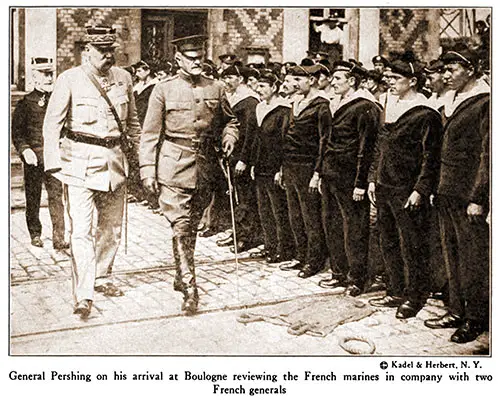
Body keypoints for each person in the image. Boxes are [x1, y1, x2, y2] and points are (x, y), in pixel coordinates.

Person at [43, 25, 141, 318]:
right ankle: (83, 294)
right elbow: (52, 124)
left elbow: (132, 122)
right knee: (81, 232)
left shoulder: (124, 78)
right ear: (87, 51)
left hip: (114, 163)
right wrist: (54, 165)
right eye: (101, 51)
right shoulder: (69, 80)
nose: (108, 56)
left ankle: (102, 276)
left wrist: (136, 156)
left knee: (111, 228)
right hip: (79, 165)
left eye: (111, 50)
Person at [140, 35, 239, 315]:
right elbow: (149, 134)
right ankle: (190, 288)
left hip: (205, 166)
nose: (197, 62)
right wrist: (147, 168)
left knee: (191, 225)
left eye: (200, 57)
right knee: (180, 225)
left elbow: (230, 120)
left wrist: (230, 135)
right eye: (190, 57)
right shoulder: (163, 89)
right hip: (173, 165)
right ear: (178, 59)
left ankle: (180, 272)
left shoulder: (216, 87)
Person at [367, 55, 443, 319]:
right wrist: (373, 179)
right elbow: (380, 147)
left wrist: (420, 189)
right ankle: (395, 289)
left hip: (407, 189)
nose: (391, 83)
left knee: (412, 244)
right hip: (385, 185)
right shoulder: (390, 105)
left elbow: (430, 157)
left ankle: (415, 296)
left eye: (397, 79)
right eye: (389, 78)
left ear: (413, 81)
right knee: (387, 240)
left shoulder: (425, 112)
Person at [424, 48, 490, 343]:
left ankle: (476, 318)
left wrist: (479, 197)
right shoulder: (449, 101)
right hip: (446, 190)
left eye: (453, 70)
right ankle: (455, 309)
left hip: (467, 196)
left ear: (472, 70)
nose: (446, 76)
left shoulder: (486, 101)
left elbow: (488, 156)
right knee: (451, 252)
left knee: (472, 257)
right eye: (445, 70)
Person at [318, 61, 381, 296]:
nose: (332, 83)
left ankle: (357, 278)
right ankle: (338, 273)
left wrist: (360, 183)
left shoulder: (365, 107)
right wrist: (321, 172)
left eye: (337, 79)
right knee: (332, 224)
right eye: (333, 79)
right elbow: (327, 142)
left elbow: (367, 148)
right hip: (331, 175)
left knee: (354, 228)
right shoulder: (335, 103)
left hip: (350, 179)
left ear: (352, 81)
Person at [278, 64, 330, 279]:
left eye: (300, 79)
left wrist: (317, 173)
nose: (295, 83)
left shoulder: (321, 106)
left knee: (311, 217)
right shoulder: (295, 103)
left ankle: (314, 260)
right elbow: (287, 139)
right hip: (291, 166)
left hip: (308, 168)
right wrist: (281, 168)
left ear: (312, 80)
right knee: (295, 215)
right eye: (294, 79)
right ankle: (300, 255)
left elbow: (324, 142)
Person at [12, 57, 68, 250]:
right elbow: (17, 134)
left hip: (55, 157)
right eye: (44, 74)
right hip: (33, 158)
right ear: (34, 77)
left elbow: (67, 127)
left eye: (51, 74)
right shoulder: (25, 103)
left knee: (56, 196)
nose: (49, 78)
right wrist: (25, 150)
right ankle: (35, 233)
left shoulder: (60, 101)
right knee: (33, 197)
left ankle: (59, 237)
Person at [251, 71, 295, 263]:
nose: (258, 89)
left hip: (274, 167)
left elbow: (285, 142)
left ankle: (283, 248)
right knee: (264, 210)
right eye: (258, 85)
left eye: (262, 86)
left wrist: (280, 169)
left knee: (278, 210)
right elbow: (256, 139)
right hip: (261, 166)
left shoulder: (283, 111)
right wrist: (253, 163)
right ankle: (269, 245)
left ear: (274, 88)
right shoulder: (260, 107)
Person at [218, 65, 262, 253]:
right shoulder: (234, 97)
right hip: (233, 153)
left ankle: (247, 236)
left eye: (231, 77)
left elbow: (250, 134)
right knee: (236, 195)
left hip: (244, 155)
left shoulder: (250, 101)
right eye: (225, 77)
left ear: (241, 79)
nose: (227, 81)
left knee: (245, 197)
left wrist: (244, 159)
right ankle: (238, 232)